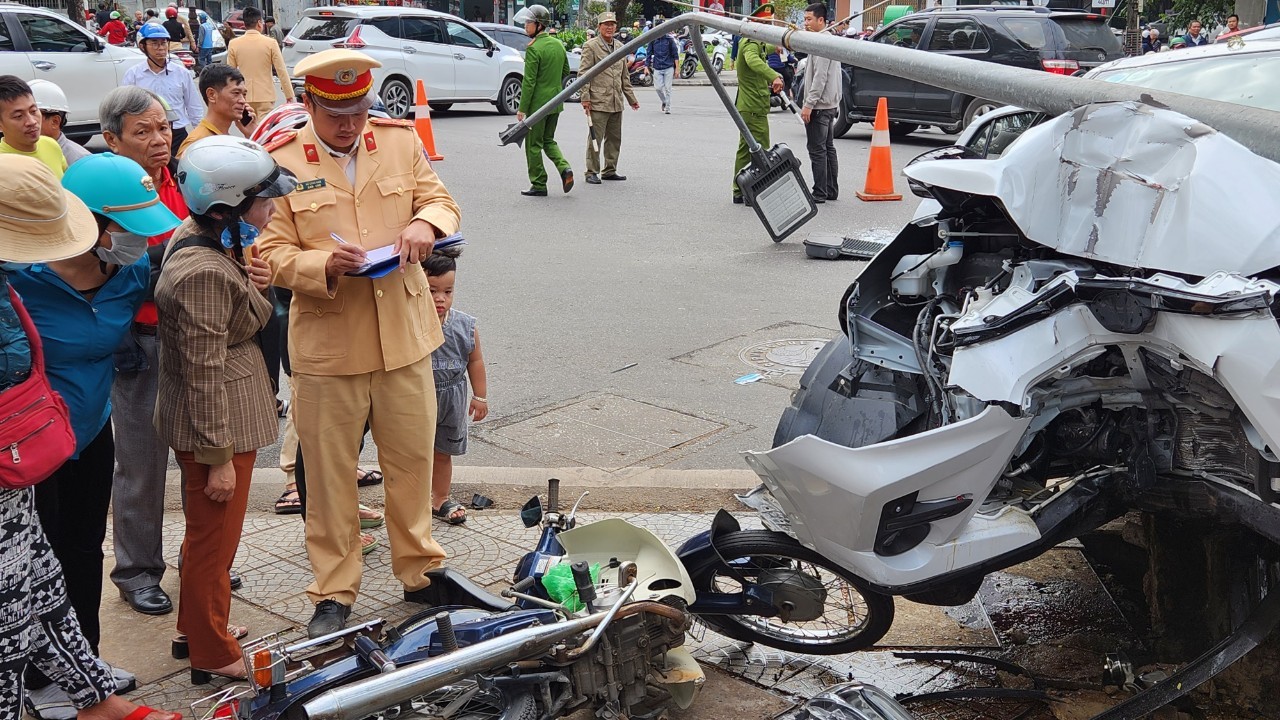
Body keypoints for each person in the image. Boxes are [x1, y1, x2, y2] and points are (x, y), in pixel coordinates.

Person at [257, 48, 460, 639]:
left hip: (405, 336)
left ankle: (420, 570)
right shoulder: (281, 162)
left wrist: (427, 225)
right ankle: (333, 588)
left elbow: (440, 201)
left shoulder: (398, 142)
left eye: (357, 109)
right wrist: (323, 264)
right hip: (328, 345)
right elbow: (269, 251)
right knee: (328, 474)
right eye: (335, 112)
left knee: (410, 464)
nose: (349, 124)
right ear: (309, 104)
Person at [11, 150, 181, 720]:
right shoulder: (20, 276)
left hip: (86, 434)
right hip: (24, 449)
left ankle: (86, 667)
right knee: (28, 568)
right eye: (129, 230)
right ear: (91, 222)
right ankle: (34, 678)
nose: (140, 242)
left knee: (81, 552)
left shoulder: (131, 272)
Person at [157, 136, 291, 685]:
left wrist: (254, 282)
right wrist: (215, 459)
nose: (272, 208)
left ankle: (195, 628)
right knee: (214, 545)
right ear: (227, 207)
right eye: (262, 200)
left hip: (224, 418)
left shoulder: (206, 239)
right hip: (219, 427)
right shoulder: (205, 271)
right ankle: (212, 652)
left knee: (204, 539)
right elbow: (204, 369)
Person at [98, 86, 192, 618]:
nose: (160, 140)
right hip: (139, 343)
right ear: (112, 140)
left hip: (190, 339)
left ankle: (199, 558)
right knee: (140, 466)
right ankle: (137, 571)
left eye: (164, 128)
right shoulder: (105, 197)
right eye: (144, 132)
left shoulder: (180, 181)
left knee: (200, 458)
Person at [425, 248, 487, 526]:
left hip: (452, 398)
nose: (440, 298)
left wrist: (480, 396)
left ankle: (440, 498)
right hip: (418, 398)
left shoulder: (465, 326)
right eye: (432, 290)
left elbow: (475, 360)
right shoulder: (408, 323)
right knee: (411, 453)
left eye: (448, 291)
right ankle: (410, 502)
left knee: (443, 453)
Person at [514, 4, 573, 197]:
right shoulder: (558, 44)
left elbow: (529, 82)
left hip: (537, 106)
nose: (526, 26)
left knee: (533, 145)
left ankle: (539, 183)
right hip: (555, 102)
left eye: (529, 23)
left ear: (539, 25)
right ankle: (564, 168)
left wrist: (522, 108)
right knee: (548, 140)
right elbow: (565, 72)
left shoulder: (534, 48)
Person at [123, 24, 204, 157]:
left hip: (177, 133)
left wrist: (200, 134)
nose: (160, 48)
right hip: (147, 135)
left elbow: (193, 106)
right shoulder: (133, 75)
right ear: (143, 46)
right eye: (154, 43)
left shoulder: (181, 73)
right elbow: (126, 108)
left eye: (163, 43)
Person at [732, 4, 783, 205]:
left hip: (749, 106)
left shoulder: (754, 41)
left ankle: (739, 190)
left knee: (745, 150)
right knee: (762, 151)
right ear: (756, 25)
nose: (767, 28)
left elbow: (763, 49)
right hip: (753, 108)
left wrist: (778, 46)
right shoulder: (751, 44)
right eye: (764, 24)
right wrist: (774, 76)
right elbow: (754, 60)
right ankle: (757, 190)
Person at [580, 12, 639, 185]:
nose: (609, 27)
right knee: (595, 139)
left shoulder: (620, 46)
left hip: (616, 101)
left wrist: (631, 99)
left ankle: (610, 170)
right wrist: (585, 98)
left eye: (612, 24)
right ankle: (591, 171)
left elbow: (624, 77)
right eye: (606, 24)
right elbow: (584, 74)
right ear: (599, 27)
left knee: (614, 138)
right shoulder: (591, 46)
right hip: (598, 101)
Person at [228, 6, 296, 124]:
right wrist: (289, 95)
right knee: (263, 131)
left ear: (245, 24)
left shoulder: (234, 44)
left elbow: (230, 73)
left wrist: (230, 97)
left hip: (244, 96)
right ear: (259, 23)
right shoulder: (270, 43)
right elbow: (281, 70)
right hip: (266, 95)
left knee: (248, 129)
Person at [801, 3, 840, 204]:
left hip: (820, 106)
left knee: (817, 150)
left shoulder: (822, 43)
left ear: (821, 20)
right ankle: (831, 190)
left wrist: (809, 104)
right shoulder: (828, 40)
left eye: (809, 19)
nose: (805, 23)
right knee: (827, 147)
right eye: (805, 19)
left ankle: (820, 192)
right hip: (830, 104)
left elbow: (820, 78)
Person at [176, 65, 255, 157]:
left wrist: (252, 135)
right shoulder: (197, 144)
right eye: (236, 93)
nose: (242, 101)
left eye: (244, 94)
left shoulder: (225, 138)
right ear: (212, 95)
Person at [0, 76, 68, 179]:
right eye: (18, 116)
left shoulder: (51, 145)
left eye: (33, 111)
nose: (31, 122)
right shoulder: (3, 164)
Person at [29, 80, 91, 168]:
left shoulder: (79, 161)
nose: (27, 121)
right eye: (19, 115)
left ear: (55, 121)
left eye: (33, 113)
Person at [647, 28, 679, 114]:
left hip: (668, 67)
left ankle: (667, 108)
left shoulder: (669, 40)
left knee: (668, 88)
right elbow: (649, 54)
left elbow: (675, 55)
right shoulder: (653, 41)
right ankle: (664, 101)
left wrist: (677, 69)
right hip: (657, 67)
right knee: (658, 88)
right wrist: (646, 66)